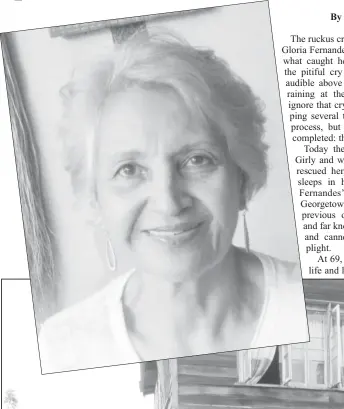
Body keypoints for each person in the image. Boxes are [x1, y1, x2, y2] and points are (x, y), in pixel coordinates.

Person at [37, 30, 308, 373]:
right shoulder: (60, 347)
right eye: (129, 169)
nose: (168, 203)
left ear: (242, 177)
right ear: (95, 201)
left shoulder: (313, 302)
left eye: (197, 160)